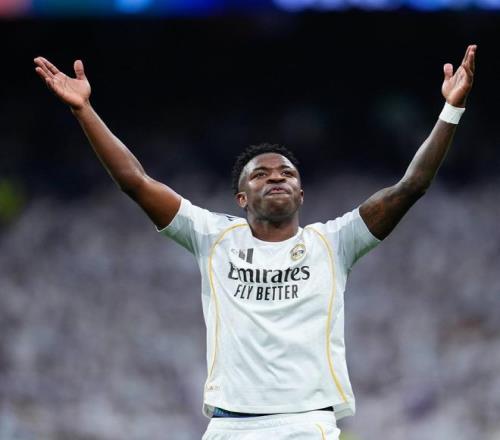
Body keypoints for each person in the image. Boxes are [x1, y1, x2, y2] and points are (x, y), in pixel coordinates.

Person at [34, 44, 476, 439]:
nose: (276, 177)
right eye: (261, 174)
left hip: (305, 424)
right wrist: (84, 110)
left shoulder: (334, 242)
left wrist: (451, 110)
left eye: (287, 173)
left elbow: (410, 186)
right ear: (241, 197)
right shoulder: (212, 236)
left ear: (301, 194)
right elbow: (135, 181)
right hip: (229, 426)